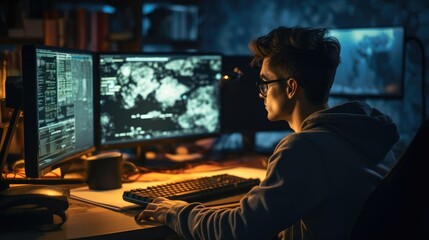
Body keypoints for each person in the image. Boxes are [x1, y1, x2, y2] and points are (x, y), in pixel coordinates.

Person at [136, 26, 399, 240]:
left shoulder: (304, 149)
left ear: (291, 88)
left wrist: (178, 213)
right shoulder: (364, 134)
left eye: (265, 82)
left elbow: (237, 231)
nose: (261, 92)